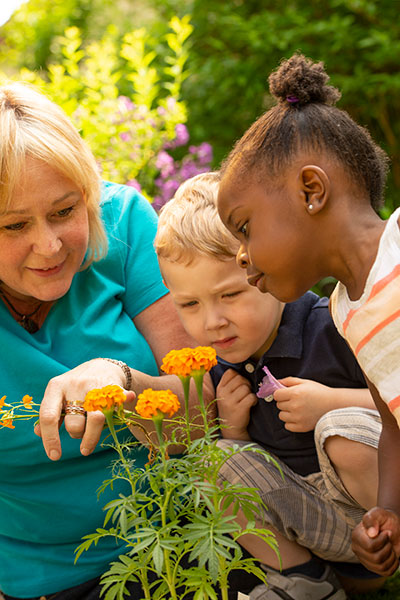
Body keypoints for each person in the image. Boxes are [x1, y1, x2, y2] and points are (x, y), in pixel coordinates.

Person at [0, 82, 212, 600]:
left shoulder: (123, 224)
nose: (49, 246)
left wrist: (120, 379)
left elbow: (208, 411)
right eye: (13, 225)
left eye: (65, 212)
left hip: (182, 539)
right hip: (40, 580)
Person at [154, 171, 385, 599]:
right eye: (190, 304)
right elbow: (254, 481)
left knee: (342, 430)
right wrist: (234, 430)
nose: (212, 321)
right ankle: (303, 579)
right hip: (316, 526)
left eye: (229, 295)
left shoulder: (331, 325)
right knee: (210, 458)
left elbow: (395, 399)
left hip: (378, 509)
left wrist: (330, 403)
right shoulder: (222, 368)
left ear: (267, 270)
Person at [216, 52, 400, 580]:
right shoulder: (346, 311)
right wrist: (387, 508)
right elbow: (391, 422)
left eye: (245, 227)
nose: (242, 256)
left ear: (311, 191)